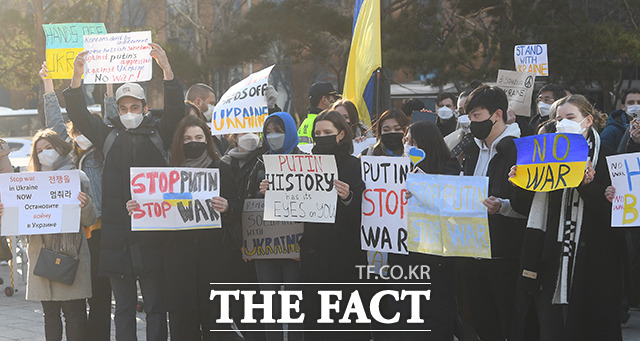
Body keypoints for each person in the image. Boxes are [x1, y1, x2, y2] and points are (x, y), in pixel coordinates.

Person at [63, 43, 184, 341]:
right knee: (124, 308)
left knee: (156, 306)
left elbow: (176, 108)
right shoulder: (108, 135)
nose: (129, 112)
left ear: (145, 108)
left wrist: (167, 69)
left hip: (153, 235)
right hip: (118, 237)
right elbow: (78, 114)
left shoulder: (160, 133)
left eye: (134, 107)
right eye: (123, 108)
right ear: (116, 110)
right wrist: (77, 78)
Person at [511, 95, 623, 340]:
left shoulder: (608, 158)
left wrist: (587, 186)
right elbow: (523, 207)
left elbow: (615, 220)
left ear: (588, 120)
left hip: (593, 267)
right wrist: (521, 181)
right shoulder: (544, 155)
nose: (562, 124)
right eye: (558, 119)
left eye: (570, 118)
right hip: (551, 259)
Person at [126, 115, 241, 340]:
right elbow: (156, 215)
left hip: (214, 264)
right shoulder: (167, 175)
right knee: (182, 329)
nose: (193, 142)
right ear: (179, 142)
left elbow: (238, 209)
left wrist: (228, 207)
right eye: (187, 138)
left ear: (207, 140)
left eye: (198, 137)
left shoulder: (221, 169)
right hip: (179, 267)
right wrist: (138, 208)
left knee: (216, 328)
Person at [261, 110, 367, 341]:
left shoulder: (354, 165)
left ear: (341, 134)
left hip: (345, 259)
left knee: (344, 324)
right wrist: (272, 190)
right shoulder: (302, 165)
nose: (322, 136)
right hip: (313, 257)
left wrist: (349, 196)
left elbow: (364, 213)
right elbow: (289, 206)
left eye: (327, 132)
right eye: (317, 133)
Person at [0, 129, 97, 341]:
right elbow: (17, 224)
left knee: (75, 314)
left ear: (60, 148)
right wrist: (4, 212)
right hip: (41, 255)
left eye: (49, 148)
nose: (45, 153)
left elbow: (90, 219)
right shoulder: (27, 183)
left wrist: (85, 204)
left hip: (73, 255)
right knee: (50, 315)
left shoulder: (77, 178)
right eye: (40, 150)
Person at [39, 63, 112, 340]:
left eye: (86, 128)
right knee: (79, 296)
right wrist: (48, 86)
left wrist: (109, 88)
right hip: (74, 235)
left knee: (101, 294)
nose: (81, 133)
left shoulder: (104, 153)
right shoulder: (66, 156)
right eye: (76, 129)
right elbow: (54, 123)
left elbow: (112, 119)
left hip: (101, 232)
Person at [461, 85, 527, 340]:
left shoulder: (518, 150)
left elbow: (529, 203)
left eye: (476, 116)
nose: (472, 122)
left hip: (504, 255)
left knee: (507, 321)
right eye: (469, 117)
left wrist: (503, 206)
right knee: (482, 320)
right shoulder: (471, 150)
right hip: (472, 252)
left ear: (497, 114)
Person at [386, 120, 460, 341]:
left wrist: (420, 187)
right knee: (404, 313)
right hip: (404, 255)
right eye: (406, 141)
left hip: (437, 258)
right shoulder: (395, 169)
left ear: (427, 143)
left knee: (434, 314)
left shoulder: (451, 167)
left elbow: (452, 204)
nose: (407, 145)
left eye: (413, 141)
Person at [249, 112, 304, 341]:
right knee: (270, 307)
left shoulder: (306, 163)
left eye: (278, 131)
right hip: (267, 248)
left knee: (295, 306)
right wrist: (259, 193)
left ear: (290, 132)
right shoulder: (260, 161)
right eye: (269, 132)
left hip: (295, 249)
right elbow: (247, 201)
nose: (273, 136)